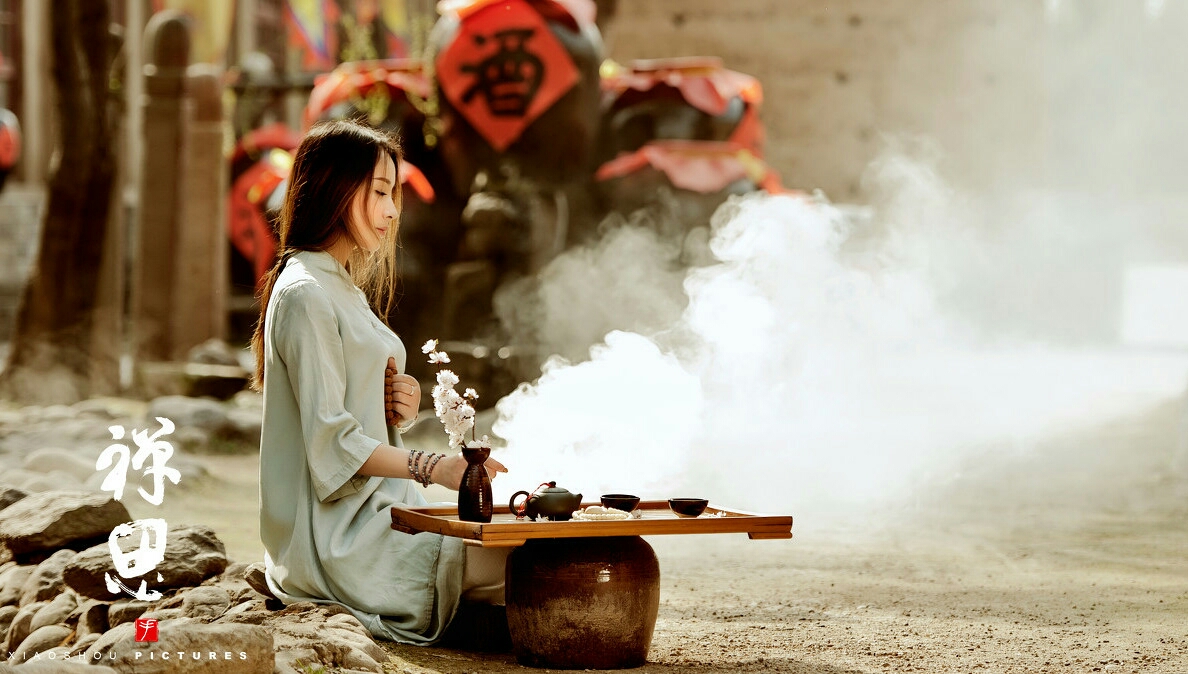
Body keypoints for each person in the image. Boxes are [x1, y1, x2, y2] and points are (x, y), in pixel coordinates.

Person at [249, 118, 508, 645]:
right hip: (336, 539)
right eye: (381, 193)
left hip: (386, 509)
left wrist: (400, 405)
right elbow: (332, 441)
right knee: (531, 554)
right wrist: (435, 467)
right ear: (335, 189)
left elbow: (355, 410)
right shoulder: (305, 293)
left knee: (541, 543)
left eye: (395, 195)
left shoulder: (339, 284)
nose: (392, 211)